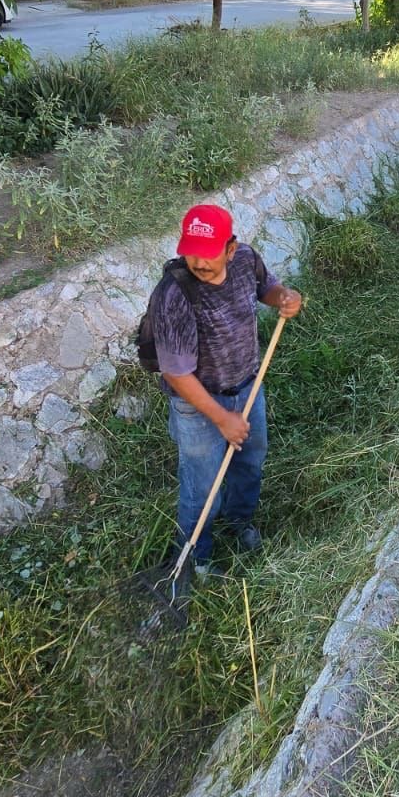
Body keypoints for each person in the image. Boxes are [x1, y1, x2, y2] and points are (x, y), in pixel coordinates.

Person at [151, 204, 302, 576]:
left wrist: (284, 297)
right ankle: (195, 558)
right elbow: (176, 373)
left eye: (208, 253)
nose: (199, 262)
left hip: (248, 386)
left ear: (230, 249)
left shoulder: (245, 260)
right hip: (199, 403)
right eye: (191, 252)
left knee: (249, 463)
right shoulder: (174, 295)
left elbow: (266, 287)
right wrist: (221, 418)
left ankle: (240, 523)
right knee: (202, 486)